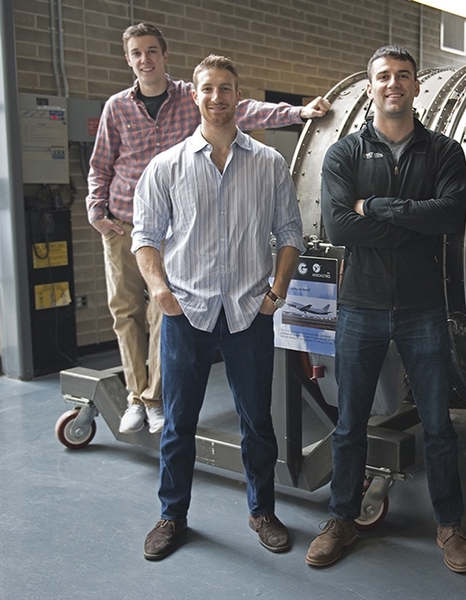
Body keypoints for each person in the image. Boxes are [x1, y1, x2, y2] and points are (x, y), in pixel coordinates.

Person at [86, 23, 329, 435]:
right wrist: (96, 210)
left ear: (164, 56)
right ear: (128, 59)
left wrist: (297, 112)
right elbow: (101, 163)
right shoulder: (117, 107)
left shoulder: (191, 94)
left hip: (178, 226)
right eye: (136, 53)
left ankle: (154, 399)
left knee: (163, 310)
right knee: (125, 311)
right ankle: (134, 396)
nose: (145, 59)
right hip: (125, 223)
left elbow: (244, 108)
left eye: (151, 51)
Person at [305, 44, 466, 573]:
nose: (393, 84)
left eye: (403, 75)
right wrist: (410, 219)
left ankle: (449, 526)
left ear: (416, 85)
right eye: (384, 76)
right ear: (371, 86)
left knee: (438, 425)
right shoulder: (344, 154)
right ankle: (341, 520)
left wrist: (375, 207)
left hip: (424, 307)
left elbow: (450, 216)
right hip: (360, 306)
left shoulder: (444, 153)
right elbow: (339, 227)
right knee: (351, 421)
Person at [131, 54, 305, 561]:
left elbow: (289, 233)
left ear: (237, 95)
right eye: (208, 88)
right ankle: (172, 516)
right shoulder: (166, 166)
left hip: (250, 312)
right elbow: (145, 236)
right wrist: (160, 290)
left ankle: (263, 510)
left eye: (226, 88)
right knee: (178, 421)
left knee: (257, 422)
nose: (217, 97)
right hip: (187, 312)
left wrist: (276, 292)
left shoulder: (269, 164)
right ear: (195, 95)